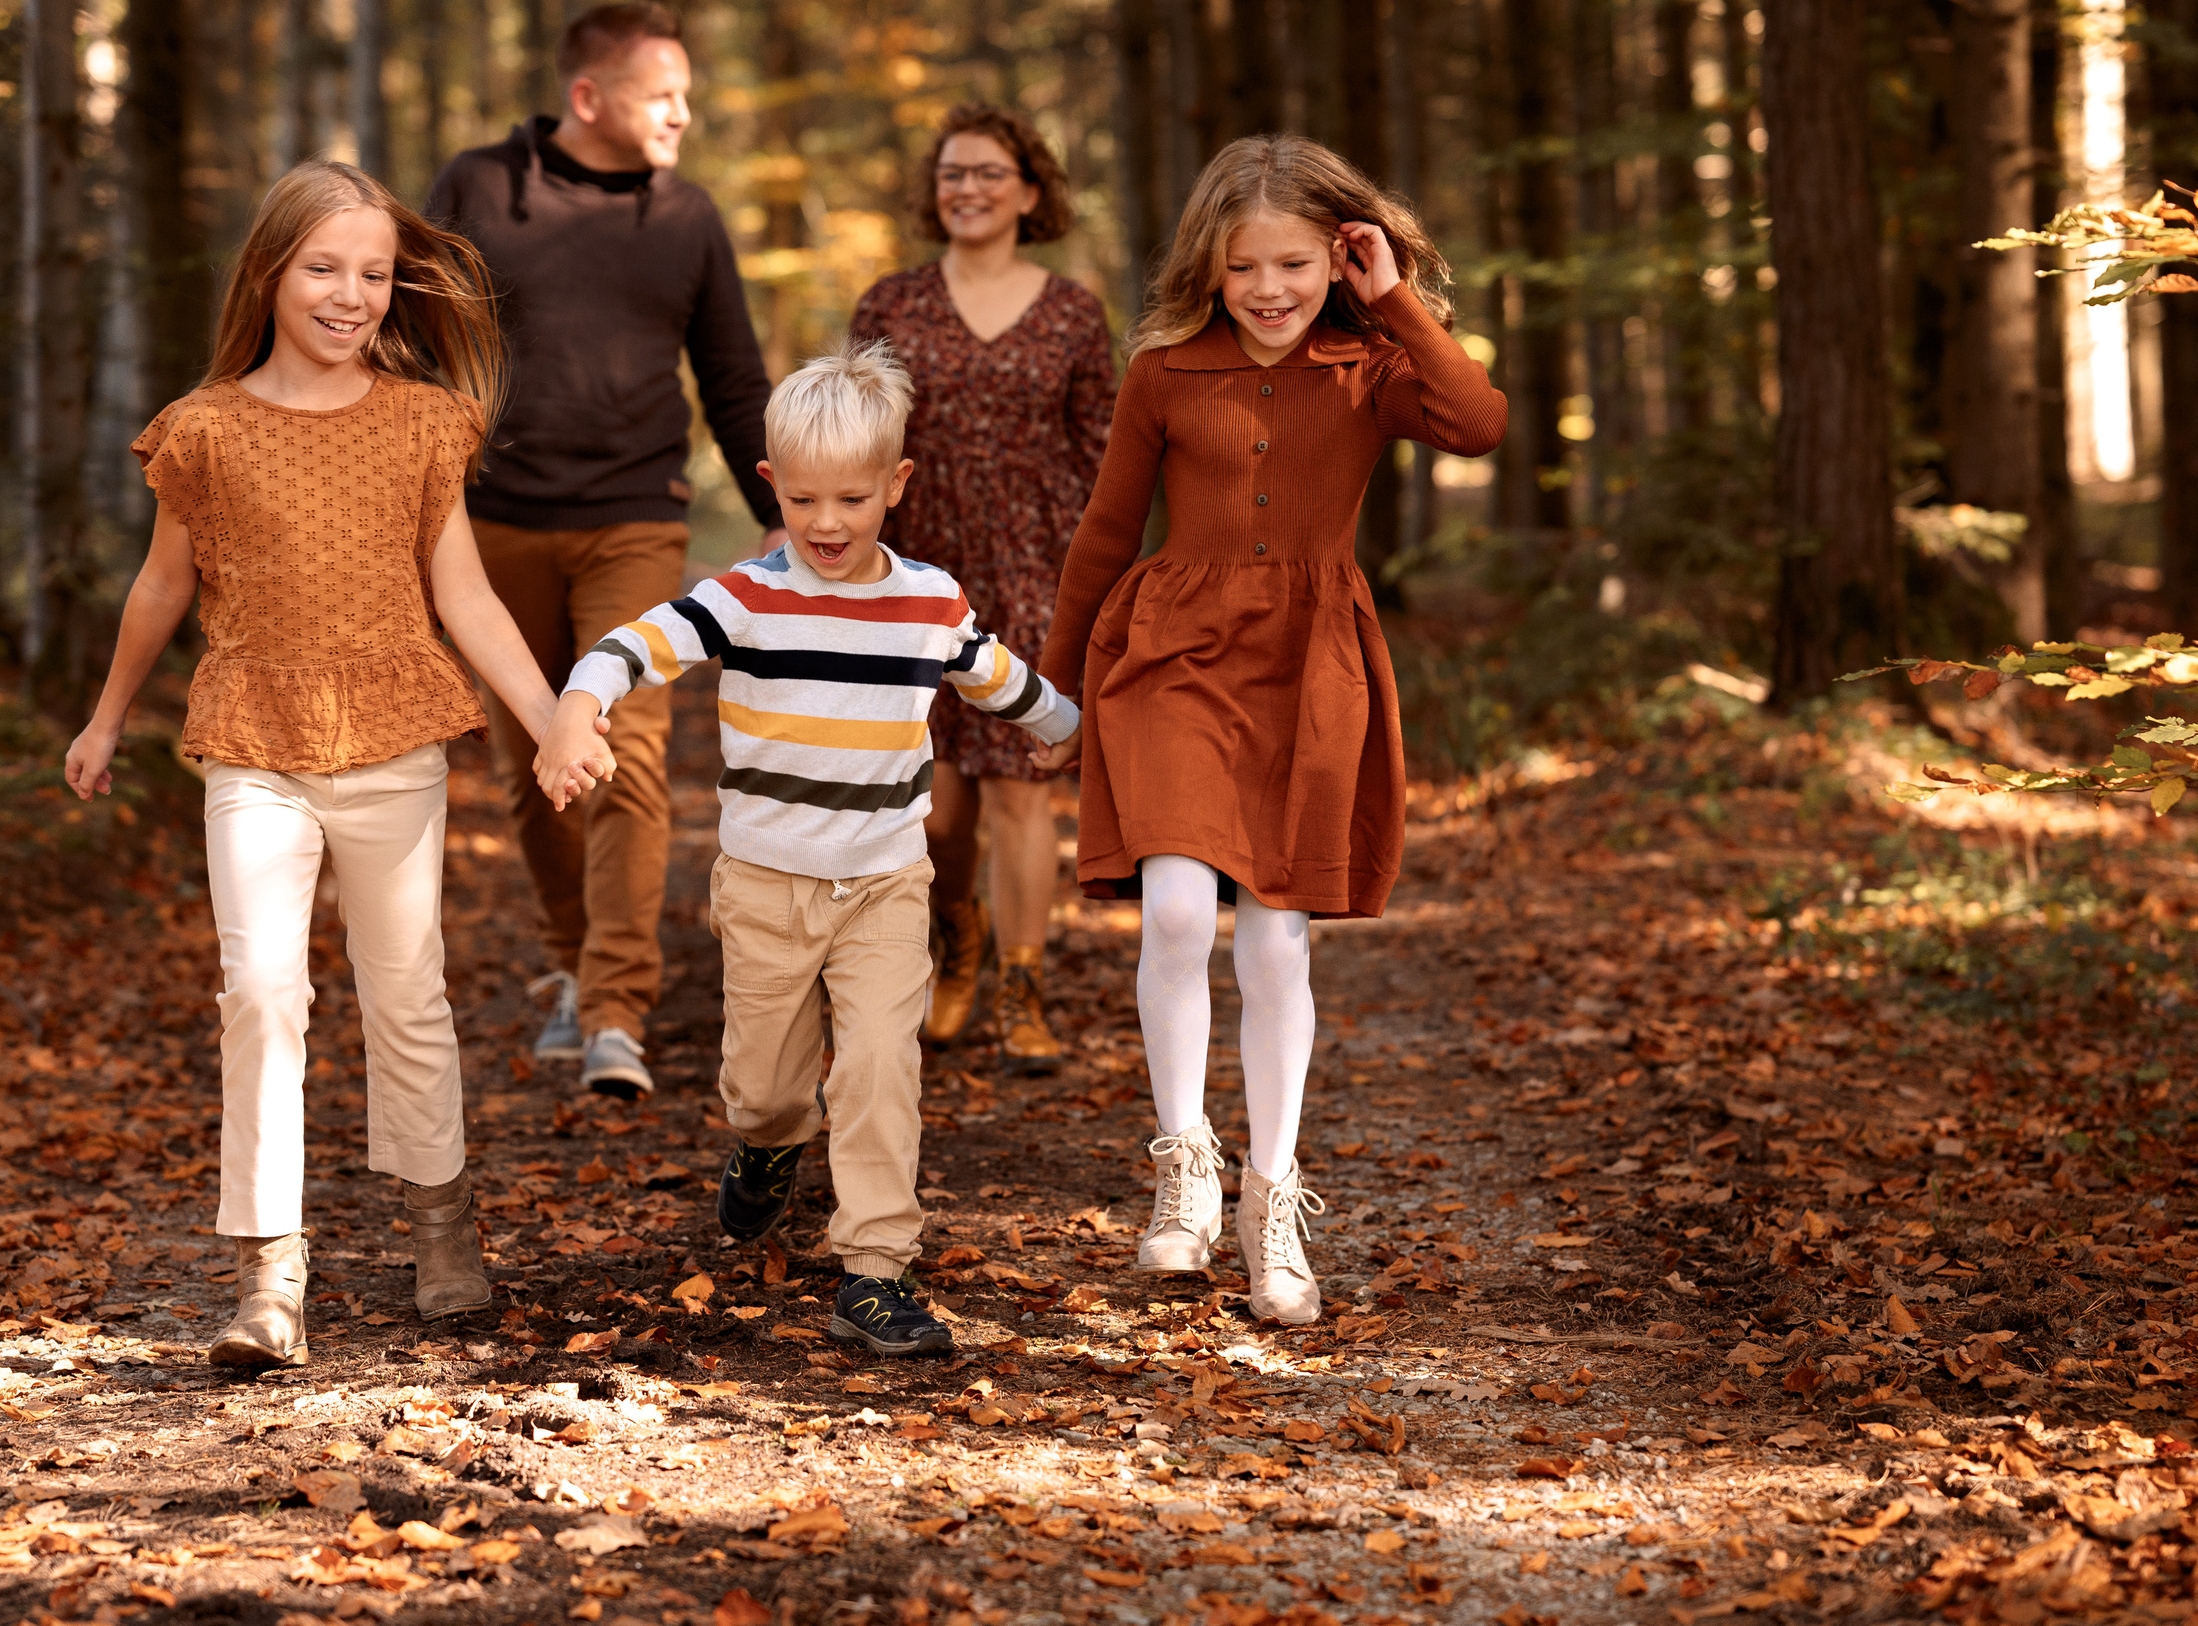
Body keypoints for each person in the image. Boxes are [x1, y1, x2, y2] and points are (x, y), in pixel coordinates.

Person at [62, 160, 570, 1366]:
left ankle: (442, 1223)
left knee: (405, 988)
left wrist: (552, 716)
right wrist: (102, 717)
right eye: (324, 269)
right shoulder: (205, 429)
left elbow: (465, 596)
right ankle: (268, 1273)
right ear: (271, 272)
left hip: (396, 740)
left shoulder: (422, 421)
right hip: (251, 741)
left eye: (375, 274)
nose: (351, 295)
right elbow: (160, 585)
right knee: (261, 991)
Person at [1037, 135, 1508, 1326]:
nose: (1269, 291)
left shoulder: (1369, 364)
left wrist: (1390, 295)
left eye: (1295, 265)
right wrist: (1050, 692)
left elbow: (1480, 421)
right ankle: (1184, 1167)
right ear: (1211, 263)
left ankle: (1272, 1196)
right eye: (1246, 267)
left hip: (1309, 665)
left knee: (1278, 939)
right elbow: (1103, 534)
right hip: (1170, 656)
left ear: (1337, 257)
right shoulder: (1163, 372)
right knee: (1182, 908)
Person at [538, 343, 1080, 1357]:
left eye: (852, 499)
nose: (826, 525)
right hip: (766, 886)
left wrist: (1079, 728)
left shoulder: (928, 602)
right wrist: (578, 710)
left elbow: (1001, 680)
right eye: (804, 501)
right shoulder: (745, 597)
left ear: (896, 487)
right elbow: (629, 646)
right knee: (767, 1084)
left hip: (883, 881)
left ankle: (874, 1270)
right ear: (770, 486)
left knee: (880, 1063)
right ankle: (766, 1144)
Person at [424, 0, 777, 1102]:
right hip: (494, 526)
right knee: (535, 770)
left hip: (634, 516)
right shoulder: (479, 190)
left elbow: (731, 376)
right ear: (589, 99)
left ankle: (618, 1007)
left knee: (620, 743)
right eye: (661, 94)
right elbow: (415, 336)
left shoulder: (688, 216)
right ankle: (576, 963)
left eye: (687, 93)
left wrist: (785, 512)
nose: (685, 112)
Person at [848, 104, 1112, 1075]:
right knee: (939, 806)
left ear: (1030, 191)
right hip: (918, 571)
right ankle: (958, 939)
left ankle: (1023, 989)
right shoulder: (890, 306)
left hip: (1037, 568)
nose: (968, 188)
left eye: (990, 173)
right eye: (952, 173)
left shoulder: (1074, 312)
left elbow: (1104, 453)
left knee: (1020, 789)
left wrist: (1099, 578)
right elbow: (853, 433)